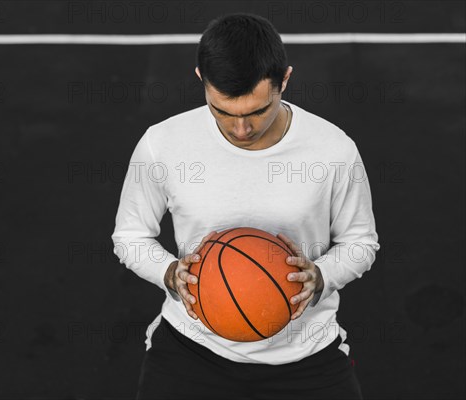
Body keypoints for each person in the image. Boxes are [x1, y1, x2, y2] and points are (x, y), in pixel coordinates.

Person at [111, 12, 380, 400]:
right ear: (202, 79)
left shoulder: (334, 150)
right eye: (223, 111)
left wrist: (320, 277)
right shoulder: (162, 144)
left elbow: (361, 242)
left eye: (257, 111)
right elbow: (130, 235)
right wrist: (170, 273)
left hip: (306, 353)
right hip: (192, 349)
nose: (241, 130)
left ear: (284, 80)